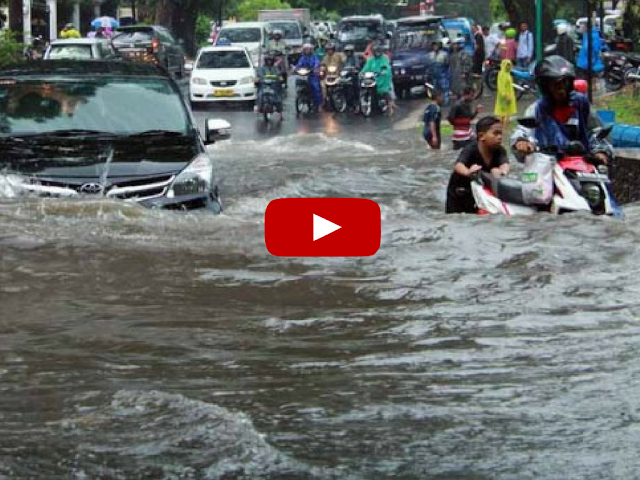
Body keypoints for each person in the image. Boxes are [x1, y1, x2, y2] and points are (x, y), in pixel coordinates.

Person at [511, 55, 613, 164]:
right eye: (555, 85)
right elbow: (523, 131)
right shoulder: (537, 108)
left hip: (582, 165)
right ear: (545, 86)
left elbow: (597, 132)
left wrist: (601, 152)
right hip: (548, 166)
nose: (561, 89)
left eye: (564, 83)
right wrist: (521, 141)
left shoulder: (581, 104)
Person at [445, 115, 510, 214]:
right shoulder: (470, 149)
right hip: (459, 191)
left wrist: (502, 173)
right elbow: (458, 165)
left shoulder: (499, 150)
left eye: (500, 133)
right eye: (495, 133)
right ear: (481, 136)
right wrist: (468, 172)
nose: (500, 137)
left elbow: (505, 163)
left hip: (479, 192)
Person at [361, 44, 394, 116]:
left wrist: (383, 72)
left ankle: (390, 108)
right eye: (375, 52)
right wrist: (362, 73)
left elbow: (386, 67)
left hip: (383, 78)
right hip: (372, 78)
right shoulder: (371, 59)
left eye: (378, 52)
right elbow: (366, 67)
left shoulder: (384, 58)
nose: (377, 53)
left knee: (385, 92)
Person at [255, 53, 284, 121]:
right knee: (259, 95)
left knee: (278, 99)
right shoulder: (261, 68)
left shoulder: (275, 68)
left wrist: (280, 79)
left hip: (274, 86)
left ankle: (280, 114)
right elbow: (258, 76)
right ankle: (258, 107)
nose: (269, 62)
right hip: (264, 85)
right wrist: (257, 80)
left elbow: (279, 75)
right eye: (268, 60)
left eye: (270, 60)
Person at [295, 43, 323, 112]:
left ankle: (318, 104)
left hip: (313, 75)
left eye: (309, 49)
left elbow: (317, 63)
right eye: (306, 49)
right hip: (304, 75)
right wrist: (296, 68)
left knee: (315, 87)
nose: (307, 51)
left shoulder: (314, 57)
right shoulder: (302, 57)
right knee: (298, 82)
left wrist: (315, 68)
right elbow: (299, 64)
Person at [495, 59, 518, 139]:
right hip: (504, 96)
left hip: (509, 95)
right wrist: (505, 95)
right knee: (502, 114)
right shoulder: (502, 74)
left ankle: (503, 130)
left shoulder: (508, 73)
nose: (508, 67)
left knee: (506, 114)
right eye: (507, 65)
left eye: (509, 65)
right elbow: (500, 86)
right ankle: (501, 130)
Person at [321, 43, 344, 107]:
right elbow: (322, 65)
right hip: (327, 76)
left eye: (330, 49)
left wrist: (342, 68)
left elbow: (343, 62)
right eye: (328, 50)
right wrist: (322, 68)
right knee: (322, 85)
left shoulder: (338, 55)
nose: (329, 51)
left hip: (337, 75)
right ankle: (324, 100)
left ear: (333, 49)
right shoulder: (325, 57)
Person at [427, 40, 450, 106]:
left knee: (445, 89)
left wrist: (446, 73)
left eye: (436, 45)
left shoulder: (444, 54)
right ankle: (437, 101)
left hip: (442, 74)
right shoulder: (430, 54)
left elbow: (447, 64)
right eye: (434, 46)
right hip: (434, 75)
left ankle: (446, 102)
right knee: (435, 89)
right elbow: (429, 65)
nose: (435, 47)